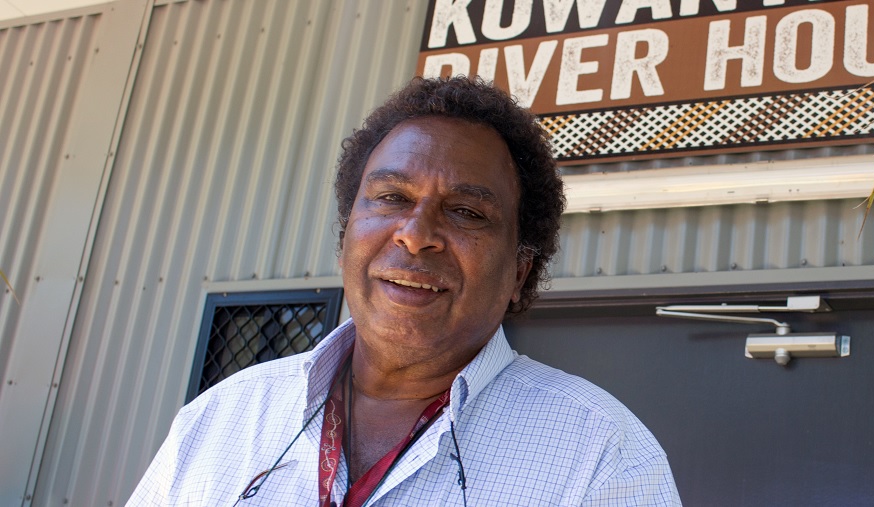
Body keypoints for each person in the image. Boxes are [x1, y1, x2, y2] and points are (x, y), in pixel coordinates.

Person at [128, 77, 680, 506]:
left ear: (518, 272)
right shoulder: (219, 419)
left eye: (466, 212)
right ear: (348, 232)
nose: (415, 235)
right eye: (391, 197)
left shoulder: (602, 455)